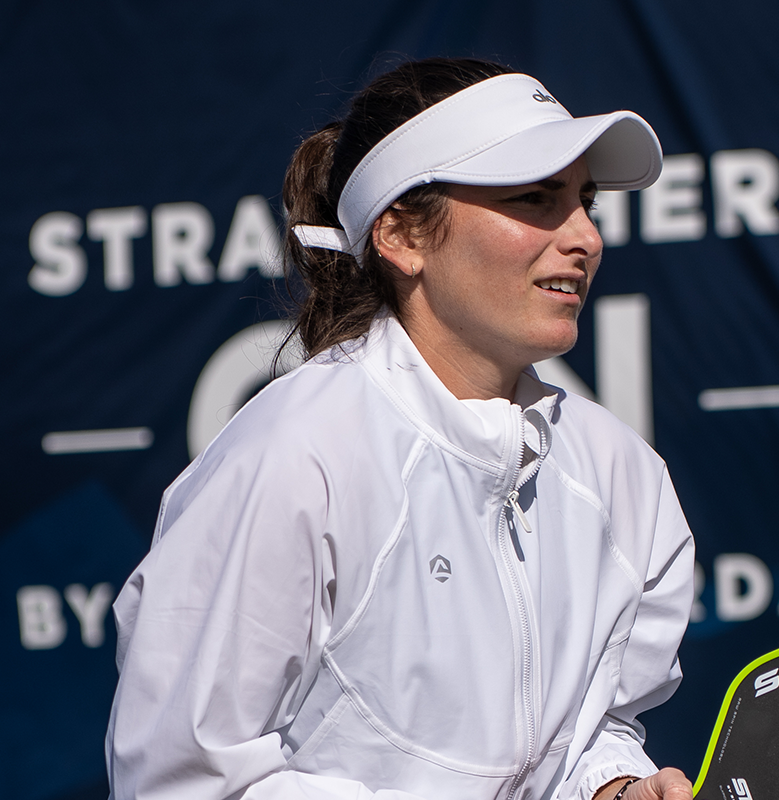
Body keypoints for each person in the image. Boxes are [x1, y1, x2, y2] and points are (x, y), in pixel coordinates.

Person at [106, 57, 696, 800]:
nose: (583, 237)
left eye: (586, 202)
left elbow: (596, 728)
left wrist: (612, 786)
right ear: (402, 235)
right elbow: (182, 781)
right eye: (536, 198)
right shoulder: (292, 458)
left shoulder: (625, 476)